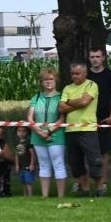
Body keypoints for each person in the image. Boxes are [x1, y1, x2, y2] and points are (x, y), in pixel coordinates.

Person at [60, 61, 101, 197]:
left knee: (94, 161)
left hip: (87, 128)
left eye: (77, 74)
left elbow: (85, 102)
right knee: (75, 163)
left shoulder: (91, 85)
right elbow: (61, 107)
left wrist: (69, 102)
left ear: (85, 73)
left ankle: (100, 188)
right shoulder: (67, 88)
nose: (74, 76)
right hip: (71, 130)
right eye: (72, 74)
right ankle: (85, 189)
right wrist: (78, 102)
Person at [26, 67, 67, 198]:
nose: (48, 82)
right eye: (45, 79)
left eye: (51, 79)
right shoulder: (36, 97)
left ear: (56, 80)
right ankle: (45, 195)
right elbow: (29, 118)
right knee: (43, 165)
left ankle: (61, 195)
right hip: (37, 136)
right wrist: (39, 131)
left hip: (56, 136)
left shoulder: (61, 97)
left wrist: (48, 131)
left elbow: (62, 118)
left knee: (58, 164)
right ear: (41, 82)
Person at [86, 47, 111, 195]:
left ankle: (103, 183)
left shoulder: (110, 75)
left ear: (103, 58)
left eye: (97, 56)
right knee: (88, 151)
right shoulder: (85, 76)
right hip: (88, 118)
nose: (95, 59)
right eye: (92, 57)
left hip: (105, 118)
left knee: (104, 152)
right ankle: (85, 183)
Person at [14, 125, 37, 197]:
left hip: (28, 165)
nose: (21, 133)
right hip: (21, 166)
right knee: (23, 181)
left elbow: (32, 153)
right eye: (19, 131)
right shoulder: (17, 143)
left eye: (24, 131)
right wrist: (17, 165)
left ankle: (30, 195)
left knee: (28, 181)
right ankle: (25, 195)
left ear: (27, 132)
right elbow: (17, 154)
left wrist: (32, 164)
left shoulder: (29, 142)